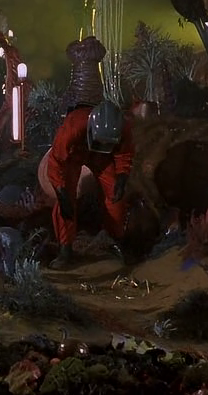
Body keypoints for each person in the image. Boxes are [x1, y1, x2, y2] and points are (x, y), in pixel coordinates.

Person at [47, 100, 134, 269]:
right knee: (66, 201)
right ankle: (65, 250)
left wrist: (122, 177)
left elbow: (125, 154)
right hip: (74, 154)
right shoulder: (73, 126)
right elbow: (56, 162)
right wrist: (60, 190)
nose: (101, 146)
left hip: (102, 158)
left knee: (116, 196)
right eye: (100, 142)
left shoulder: (123, 128)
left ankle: (115, 240)